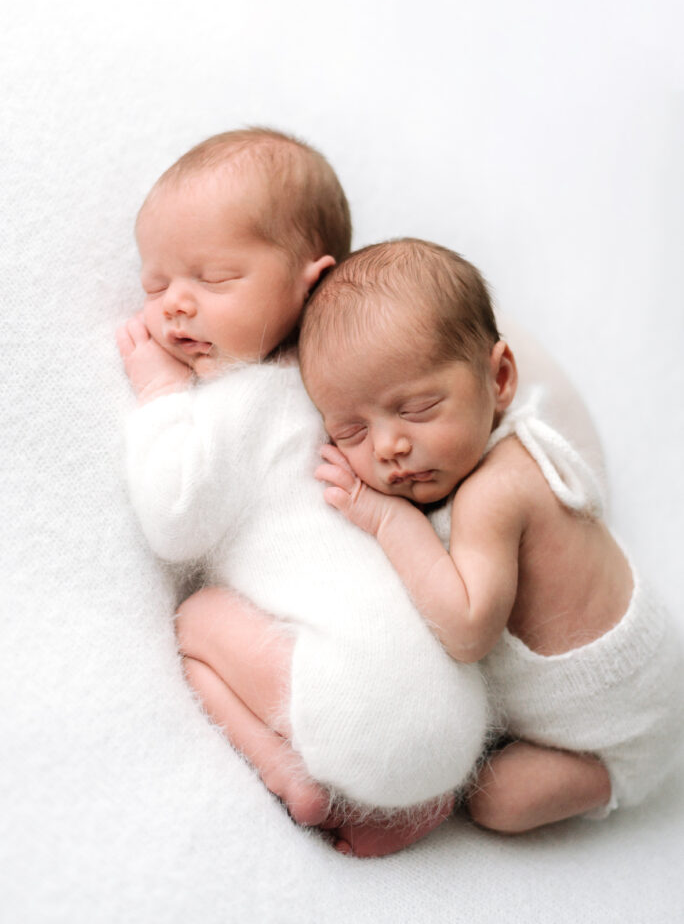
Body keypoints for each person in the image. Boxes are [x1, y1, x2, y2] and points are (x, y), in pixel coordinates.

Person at [116, 129, 490, 857]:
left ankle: (295, 779)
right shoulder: (357, 403)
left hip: (352, 710)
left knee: (195, 621)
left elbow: (173, 524)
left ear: (311, 284)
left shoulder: (243, 399)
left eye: (216, 279)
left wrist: (161, 395)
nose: (175, 308)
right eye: (155, 286)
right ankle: (415, 795)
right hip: (459, 721)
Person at [299, 237, 684, 834]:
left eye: (419, 408)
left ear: (499, 377)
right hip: (644, 670)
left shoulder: (496, 491)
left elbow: (470, 630)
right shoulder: (473, 462)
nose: (387, 447)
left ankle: (615, 777)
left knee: (495, 802)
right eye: (351, 431)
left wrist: (386, 519)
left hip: (629, 723)